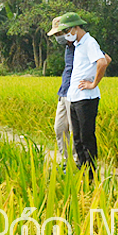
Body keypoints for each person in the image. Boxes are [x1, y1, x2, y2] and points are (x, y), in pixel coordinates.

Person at [59, 11, 111, 174]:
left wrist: (93, 83)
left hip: (86, 98)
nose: (66, 35)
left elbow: (102, 62)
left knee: (86, 137)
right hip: (75, 97)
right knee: (78, 138)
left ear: (75, 28)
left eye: (67, 31)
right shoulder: (79, 44)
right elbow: (107, 58)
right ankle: (83, 169)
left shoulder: (89, 42)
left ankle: (91, 173)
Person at [47, 16, 77, 164]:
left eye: (59, 34)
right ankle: (67, 161)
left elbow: (103, 60)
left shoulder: (82, 44)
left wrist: (92, 82)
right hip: (63, 92)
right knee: (59, 128)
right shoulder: (68, 47)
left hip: (75, 94)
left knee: (74, 130)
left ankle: (77, 162)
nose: (58, 38)